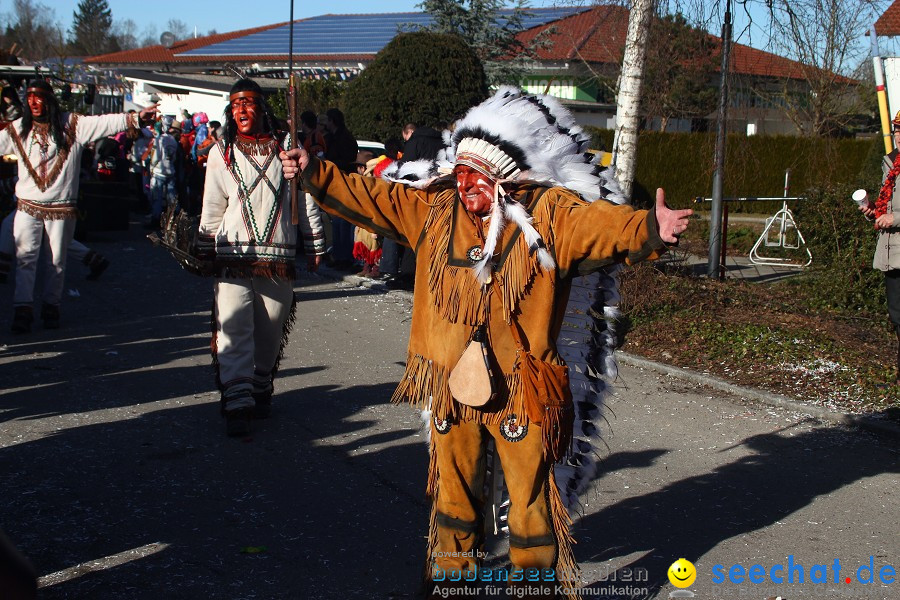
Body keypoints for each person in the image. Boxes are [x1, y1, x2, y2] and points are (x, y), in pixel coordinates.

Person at [282, 87, 692, 598]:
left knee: (532, 494)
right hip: (453, 382)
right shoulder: (434, 210)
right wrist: (316, 172)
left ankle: (535, 584)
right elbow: (376, 199)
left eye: (478, 176)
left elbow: (602, 226)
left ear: (505, 179)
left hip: (523, 383)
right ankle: (453, 579)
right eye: (461, 174)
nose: (466, 184)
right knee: (452, 490)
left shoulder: (549, 214)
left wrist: (652, 227)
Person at [198, 78, 326, 437]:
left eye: (249, 103)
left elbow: (306, 199)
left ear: (262, 108)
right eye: (236, 104)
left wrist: (314, 243)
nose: (241, 111)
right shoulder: (220, 151)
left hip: (278, 257)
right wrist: (206, 244)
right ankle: (237, 401)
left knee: (270, 326)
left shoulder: (287, 147)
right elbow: (212, 204)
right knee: (234, 325)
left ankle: (259, 384)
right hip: (232, 254)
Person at [0, 79, 155, 333]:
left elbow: (103, 122)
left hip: (61, 208)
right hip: (27, 206)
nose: (34, 102)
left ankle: (51, 306)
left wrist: (135, 118)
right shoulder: (19, 129)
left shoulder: (72, 125)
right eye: (29, 98)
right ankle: (23, 309)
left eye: (39, 97)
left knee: (56, 260)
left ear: (49, 99)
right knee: (25, 257)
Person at [860, 110, 900, 382]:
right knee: (897, 315)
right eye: (896, 129)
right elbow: (888, 205)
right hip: (891, 252)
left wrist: (895, 218)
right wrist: (873, 209)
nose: (899, 135)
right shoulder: (890, 163)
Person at [381, 124, 445, 290]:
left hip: (417, 194)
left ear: (407, 133)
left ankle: (408, 275)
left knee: (413, 234)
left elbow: (405, 167)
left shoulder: (415, 141)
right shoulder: (442, 140)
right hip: (441, 193)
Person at [322, 108, 358, 270]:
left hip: (343, 180)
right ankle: (339, 255)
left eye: (328, 120)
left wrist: (331, 163)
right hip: (335, 181)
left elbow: (348, 159)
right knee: (336, 221)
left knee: (342, 221)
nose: (326, 124)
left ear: (333, 121)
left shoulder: (344, 138)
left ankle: (345, 257)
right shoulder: (333, 137)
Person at [147, 116, 180, 229]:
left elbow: (155, 156)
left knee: (157, 197)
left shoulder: (159, 139)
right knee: (172, 197)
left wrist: (151, 167)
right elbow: (174, 157)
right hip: (170, 170)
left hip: (159, 171)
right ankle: (175, 219)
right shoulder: (173, 140)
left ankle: (156, 220)